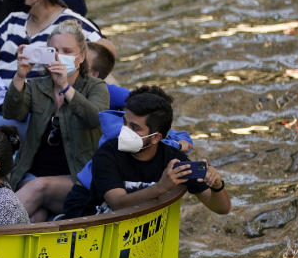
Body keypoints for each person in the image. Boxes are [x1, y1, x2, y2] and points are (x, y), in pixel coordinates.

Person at [62, 86, 231, 218]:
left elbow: (222, 209)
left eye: (135, 127)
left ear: (156, 137)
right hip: (92, 222)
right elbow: (117, 203)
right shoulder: (108, 153)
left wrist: (217, 186)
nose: (125, 131)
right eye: (125, 123)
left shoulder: (173, 159)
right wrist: (161, 188)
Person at [2, 20, 110, 221]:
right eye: (54, 50)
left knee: (38, 188)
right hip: (32, 174)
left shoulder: (95, 87)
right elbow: (12, 113)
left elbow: (96, 119)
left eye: (67, 51)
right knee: (35, 217)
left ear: (81, 57)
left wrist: (66, 88)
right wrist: (19, 76)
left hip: (77, 178)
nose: (59, 56)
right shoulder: (37, 86)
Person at [0, 0, 103, 119]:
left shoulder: (70, 22)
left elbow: (105, 51)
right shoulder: (14, 20)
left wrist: (77, 71)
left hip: (29, 110)